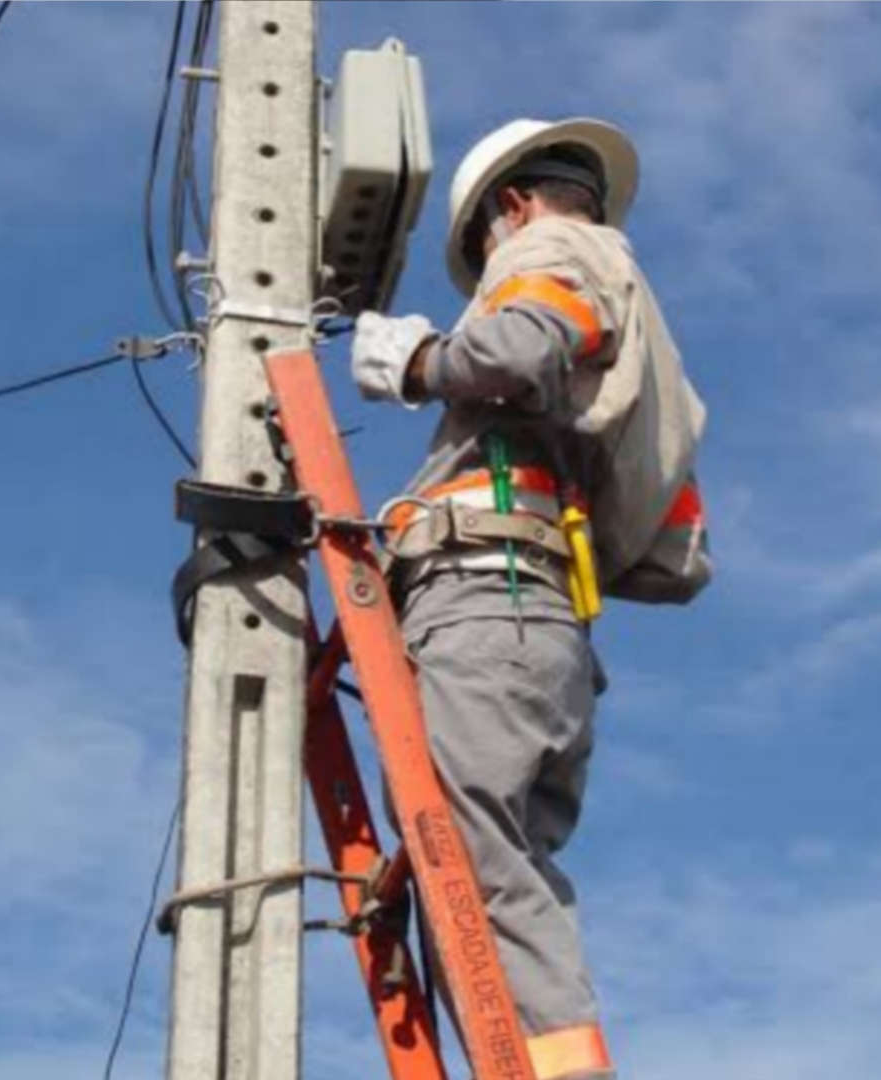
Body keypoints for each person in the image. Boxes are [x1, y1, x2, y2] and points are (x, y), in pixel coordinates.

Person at [350, 118, 711, 1080]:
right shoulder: (648, 336)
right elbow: (670, 561)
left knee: (469, 865)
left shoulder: (557, 247)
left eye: (485, 259)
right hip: (539, 635)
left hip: (490, 604)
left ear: (510, 209)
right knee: (498, 878)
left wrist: (418, 363)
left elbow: (512, 351)